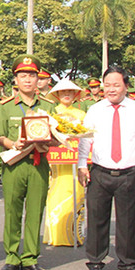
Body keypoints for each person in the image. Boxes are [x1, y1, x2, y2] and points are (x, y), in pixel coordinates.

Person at [78, 66, 135, 270]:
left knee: (128, 221)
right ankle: (95, 261)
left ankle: (127, 263)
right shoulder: (95, 110)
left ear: (126, 86)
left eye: (116, 85)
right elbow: (85, 139)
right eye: (107, 85)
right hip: (100, 171)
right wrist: (82, 164)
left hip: (128, 173)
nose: (111, 89)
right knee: (97, 219)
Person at [0, 55, 57, 270]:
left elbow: (58, 137)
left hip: (39, 164)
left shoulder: (48, 106)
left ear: (38, 79)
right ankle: (12, 256)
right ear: (16, 80)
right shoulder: (6, 107)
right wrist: (13, 143)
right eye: (23, 76)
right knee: (12, 210)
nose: (28, 80)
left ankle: (30, 257)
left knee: (35, 211)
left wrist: (50, 140)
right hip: (14, 164)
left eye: (32, 75)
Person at [43, 79, 86, 247]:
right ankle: (55, 235)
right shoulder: (51, 114)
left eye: (70, 92)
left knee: (76, 193)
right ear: (57, 95)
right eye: (63, 92)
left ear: (75, 95)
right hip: (57, 161)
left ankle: (74, 235)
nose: (66, 95)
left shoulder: (82, 115)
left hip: (75, 159)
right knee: (56, 194)